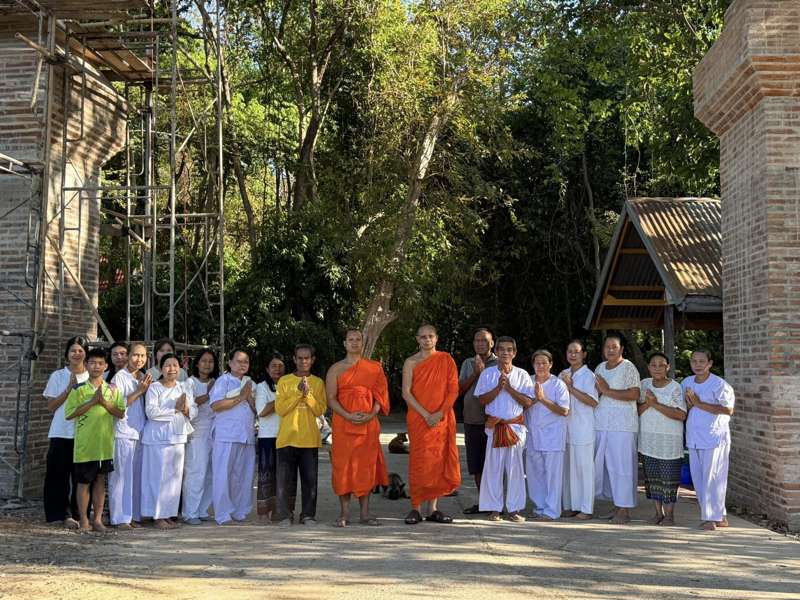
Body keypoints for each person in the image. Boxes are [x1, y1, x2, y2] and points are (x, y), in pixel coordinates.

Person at [326, 329, 390, 527]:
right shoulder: (335, 369)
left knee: (365, 468)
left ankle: (365, 513)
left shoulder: (373, 368)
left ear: (363, 343)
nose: (354, 343)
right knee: (343, 467)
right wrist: (347, 415)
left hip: (368, 425)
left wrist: (371, 414)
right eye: (351, 340)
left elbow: (380, 395)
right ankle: (344, 513)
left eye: (358, 340)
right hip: (343, 424)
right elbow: (331, 399)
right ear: (344, 344)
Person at [401, 324, 460, 525]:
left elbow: (453, 390)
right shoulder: (411, 362)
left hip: (441, 418)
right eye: (423, 337)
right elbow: (406, 393)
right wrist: (426, 414)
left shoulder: (446, 359)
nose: (427, 340)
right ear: (417, 339)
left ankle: (433, 508)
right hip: (419, 417)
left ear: (436, 338)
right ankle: (415, 507)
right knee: (419, 461)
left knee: (437, 461)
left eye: (430, 336)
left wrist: (439, 413)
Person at [64, 348, 126, 532]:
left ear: (106, 366)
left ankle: (97, 520)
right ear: (87, 365)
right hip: (85, 446)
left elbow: (121, 413)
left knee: (100, 481)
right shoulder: (78, 389)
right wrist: (92, 402)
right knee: (83, 483)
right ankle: (84, 520)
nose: (96, 366)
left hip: (105, 446)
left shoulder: (112, 389)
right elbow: (69, 414)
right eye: (92, 363)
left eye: (100, 363)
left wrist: (105, 403)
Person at [474, 336, 532, 522]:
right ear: (496, 352)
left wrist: (509, 388)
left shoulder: (522, 374)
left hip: (515, 427)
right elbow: (482, 400)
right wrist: (499, 387)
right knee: (493, 468)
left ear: (514, 353)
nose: (505, 353)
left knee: (515, 469)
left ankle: (514, 509)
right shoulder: (487, 374)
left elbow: (528, 402)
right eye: (501, 350)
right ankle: (494, 508)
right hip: (495, 426)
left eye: (509, 350)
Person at [274, 344, 328, 526]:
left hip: (310, 439)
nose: (303, 361)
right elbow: (280, 409)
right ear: (294, 359)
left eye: (307, 358)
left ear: (312, 360)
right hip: (287, 438)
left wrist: (308, 395)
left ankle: (307, 515)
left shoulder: (318, 383)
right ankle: (284, 515)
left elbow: (320, 409)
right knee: (284, 482)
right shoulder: (284, 381)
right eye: (300, 358)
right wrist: (299, 393)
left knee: (310, 481)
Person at [141, 353, 196, 529]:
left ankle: (169, 514)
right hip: (158, 438)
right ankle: (157, 516)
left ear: (179, 368)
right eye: (167, 365)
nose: (171, 369)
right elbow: (151, 412)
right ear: (161, 368)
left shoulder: (183, 387)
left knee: (174, 478)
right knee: (158, 478)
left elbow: (193, 410)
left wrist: (186, 409)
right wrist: (174, 409)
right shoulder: (154, 387)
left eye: (175, 365)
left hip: (178, 436)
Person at [682, 349, 735, 531]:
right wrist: (690, 405)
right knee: (698, 479)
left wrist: (698, 403)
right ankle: (721, 517)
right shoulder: (687, 382)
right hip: (694, 437)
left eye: (701, 361)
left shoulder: (719, 384)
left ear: (710, 364)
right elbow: (686, 407)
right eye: (694, 361)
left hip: (714, 437)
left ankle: (710, 518)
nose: (697, 365)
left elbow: (728, 410)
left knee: (712, 478)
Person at [42, 336, 90, 528]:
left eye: (80, 350)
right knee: (58, 476)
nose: (77, 354)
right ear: (67, 354)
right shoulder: (58, 376)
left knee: (82, 477)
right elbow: (51, 406)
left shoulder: (93, 376)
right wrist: (69, 389)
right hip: (61, 432)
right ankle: (59, 514)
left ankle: (79, 514)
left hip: (85, 433)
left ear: (86, 353)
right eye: (73, 350)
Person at [594, 335, 641, 524]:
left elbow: (635, 394)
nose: (610, 350)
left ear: (621, 349)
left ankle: (624, 510)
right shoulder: (599, 368)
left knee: (623, 467)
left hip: (623, 426)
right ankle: (616, 505)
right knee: (608, 467)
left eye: (614, 347)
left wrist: (607, 391)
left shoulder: (628, 367)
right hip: (602, 423)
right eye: (607, 347)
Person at [638, 352, 687, 526]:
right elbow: (636, 411)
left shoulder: (675, 387)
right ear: (649, 367)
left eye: (661, 365)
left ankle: (670, 515)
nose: (657, 368)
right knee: (652, 480)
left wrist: (656, 404)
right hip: (648, 440)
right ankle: (658, 513)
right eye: (653, 365)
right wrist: (648, 403)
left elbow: (681, 414)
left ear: (668, 367)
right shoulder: (643, 385)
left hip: (669, 442)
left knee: (669, 479)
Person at [209, 348, 257, 525]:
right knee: (223, 475)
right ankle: (222, 514)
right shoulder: (223, 381)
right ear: (230, 363)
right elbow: (215, 405)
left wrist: (250, 399)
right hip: (226, 435)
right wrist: (241, 397)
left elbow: (256, 409)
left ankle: (239, 511)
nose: (243, 364)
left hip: (246, 435)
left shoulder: (251, 382)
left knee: (243, 476)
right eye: (239, 361)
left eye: (246, 361)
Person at [109, 342, 152, 529]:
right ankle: (119, 518)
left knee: (135, 477)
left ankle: (133, 515)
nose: (139, 359)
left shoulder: (144, 376)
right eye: (135, 355)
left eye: (143, 356)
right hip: (123, 431)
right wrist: (139, 391)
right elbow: (118, 406)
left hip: (140, 431)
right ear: (128, 356)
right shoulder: (120, 377)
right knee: (121, 477)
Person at [526, 349, 570, 521]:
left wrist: (543, 399)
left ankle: (552, 511)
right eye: (537, 363)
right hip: (532, 434)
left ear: (551, 364)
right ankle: (539, 508)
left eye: (544, 362)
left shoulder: (558, 384)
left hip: (553, 436)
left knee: (553, 475)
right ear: (533, 365)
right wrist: (535, 399)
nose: (541, 366)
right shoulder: (527, 381)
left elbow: (564, 410)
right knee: (535, 474)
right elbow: (520, 405)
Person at [458, 328, 497, 515]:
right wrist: (475, 373)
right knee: (476, 464)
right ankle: (484, 502)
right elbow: (459, 390)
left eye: (484, 340)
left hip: (494, 421)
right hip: (472, 419)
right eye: (476, 340)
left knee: (494, 464)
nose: (480, 343)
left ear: (492, 343)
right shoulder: (468, 363)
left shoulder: (499, 363)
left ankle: (496, 503)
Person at [559, 340, 598, 520]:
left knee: (584, 469)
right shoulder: (563, 374)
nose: (572, 355)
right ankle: (571, 505)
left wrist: (571, 388)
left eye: (576, 352)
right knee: (568, 469)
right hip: (565, 428)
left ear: (584, 355)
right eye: (569, 351)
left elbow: (593, 401)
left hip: (583, 428)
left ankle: (586, 508)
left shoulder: (589, 376)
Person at [182, 347, 219, 525]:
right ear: (197, 364)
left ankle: (203, 509)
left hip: (215, 431)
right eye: (203, 361)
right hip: (197, 431)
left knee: (211, 473)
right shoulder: (190, 382)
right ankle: (190, 512)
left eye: (211, 361)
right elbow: (190, 404)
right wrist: (208, 393)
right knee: (196, 472)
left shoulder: (217, 381)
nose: (207, 364)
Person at [255, 353, 294, 522]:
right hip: (268, 437)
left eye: (280, 365)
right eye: (273, 366)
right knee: (266, 475)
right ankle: (264, 513)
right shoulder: (262, 387)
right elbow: (262, 411)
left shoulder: (291, 385)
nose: (277, 369)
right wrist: (281, 398)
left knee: (285, 476)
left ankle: (283, 512)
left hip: (288, 436)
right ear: (267, 369)